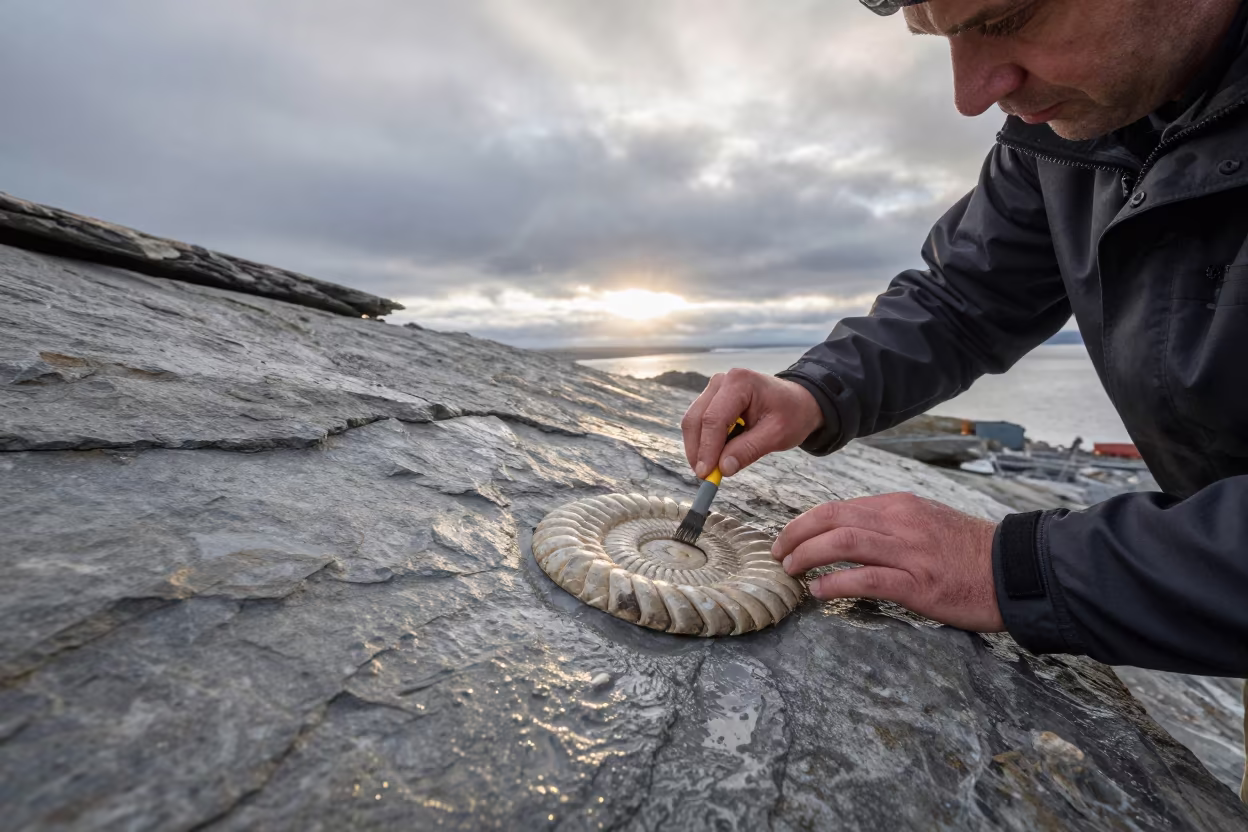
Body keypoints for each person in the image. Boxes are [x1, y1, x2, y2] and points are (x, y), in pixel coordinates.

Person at [681, 0, 1248, 799]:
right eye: (944, 36)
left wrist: (1009, 565)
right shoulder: (1071, 129)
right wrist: (813, 389)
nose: (973, 92)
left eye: (1005, 17)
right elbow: (963, 297)